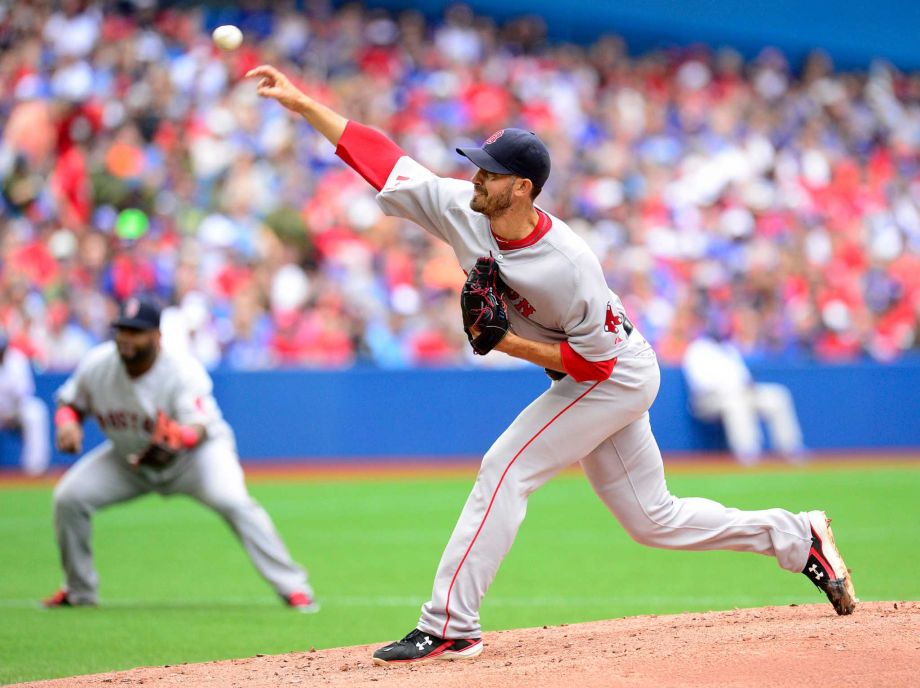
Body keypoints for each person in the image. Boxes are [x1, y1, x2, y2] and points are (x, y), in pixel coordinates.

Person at [247, 65, 857, 664]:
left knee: (505, 466)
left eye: (489, 172)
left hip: (613, 373)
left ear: (521, 188)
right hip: (591, 372)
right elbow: (382, 159)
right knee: (653, 519)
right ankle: (798, 536)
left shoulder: (568, 264)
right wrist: (302, 103)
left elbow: (593, 368)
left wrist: (507, 343)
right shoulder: (465, 208)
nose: (474, 177)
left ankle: (451, 625)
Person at [44, 297, 318, 612]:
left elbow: (199, 426)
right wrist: (67, 424)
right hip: (129, 460)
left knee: (234, 502)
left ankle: (293, 587)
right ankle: (79, 591)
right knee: (68, 498)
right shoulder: (98, 364)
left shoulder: (182, 370)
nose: (126, 338)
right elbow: (70, 402)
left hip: (197, 459)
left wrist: (180, 435)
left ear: (157, 336)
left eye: (136, 331)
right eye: (122, 330)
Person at [682, 331, 806, 465]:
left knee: (778, 395)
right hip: (708, 401)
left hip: (741, 393)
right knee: (736, 403)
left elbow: (744, 376)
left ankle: (790, 449)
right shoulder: (696, 349)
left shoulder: (728, 349)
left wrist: (746, 385)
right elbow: (701, 384)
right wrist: (732, 388)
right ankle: (748, 454)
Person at [0, 332, 51, 475]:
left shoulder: (17, 359)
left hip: (17, 409)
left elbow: (24, 392)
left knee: (36, 412)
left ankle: (34, 470)